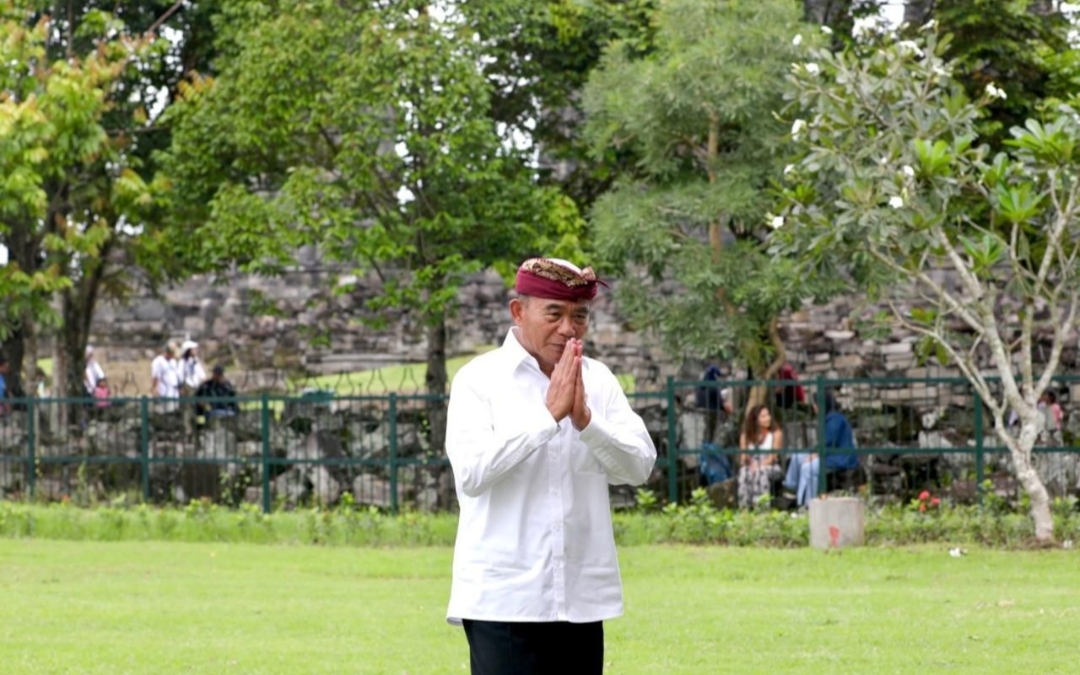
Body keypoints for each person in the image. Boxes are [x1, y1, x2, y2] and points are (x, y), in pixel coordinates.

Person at [444, 257, 657, 675]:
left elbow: (639, 467)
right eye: (554, 313)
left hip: (580, 598)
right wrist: (546, 419)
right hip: (504, 598)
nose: (568, 328)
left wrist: (587, 424)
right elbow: (471, 474)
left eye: (579, 316)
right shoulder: (478, 380)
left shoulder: (599, 380)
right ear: (518, 312)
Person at [783, 392, 859, 508]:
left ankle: (806, 503)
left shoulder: (835, 420)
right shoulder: (827, 418)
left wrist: (815, 455)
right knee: (797, 457)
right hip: (827, 453)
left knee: (808, 467)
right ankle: (791, 489)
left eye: (815, 404)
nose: (813, 407)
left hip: (840, 458)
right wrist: (814, 453)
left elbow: (828, 443)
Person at [737, 404, 783, 509]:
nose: (768, 418)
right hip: (751, 464)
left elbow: (773, 457)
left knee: (760, 472)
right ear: (755, 420)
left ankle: (762, 508)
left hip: (770, 465)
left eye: (768, 415)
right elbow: (743, 457)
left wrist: (759, 465)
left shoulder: (776, 433)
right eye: (763, 416)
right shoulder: (746, 435)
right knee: (744, 472)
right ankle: (744, 508)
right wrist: (748, 460)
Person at [150, 340, 181, 412]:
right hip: (164, 393)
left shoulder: (173, 361)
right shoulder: (159, 361)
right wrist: (155, 390)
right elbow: (155, 377)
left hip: (174, 393)